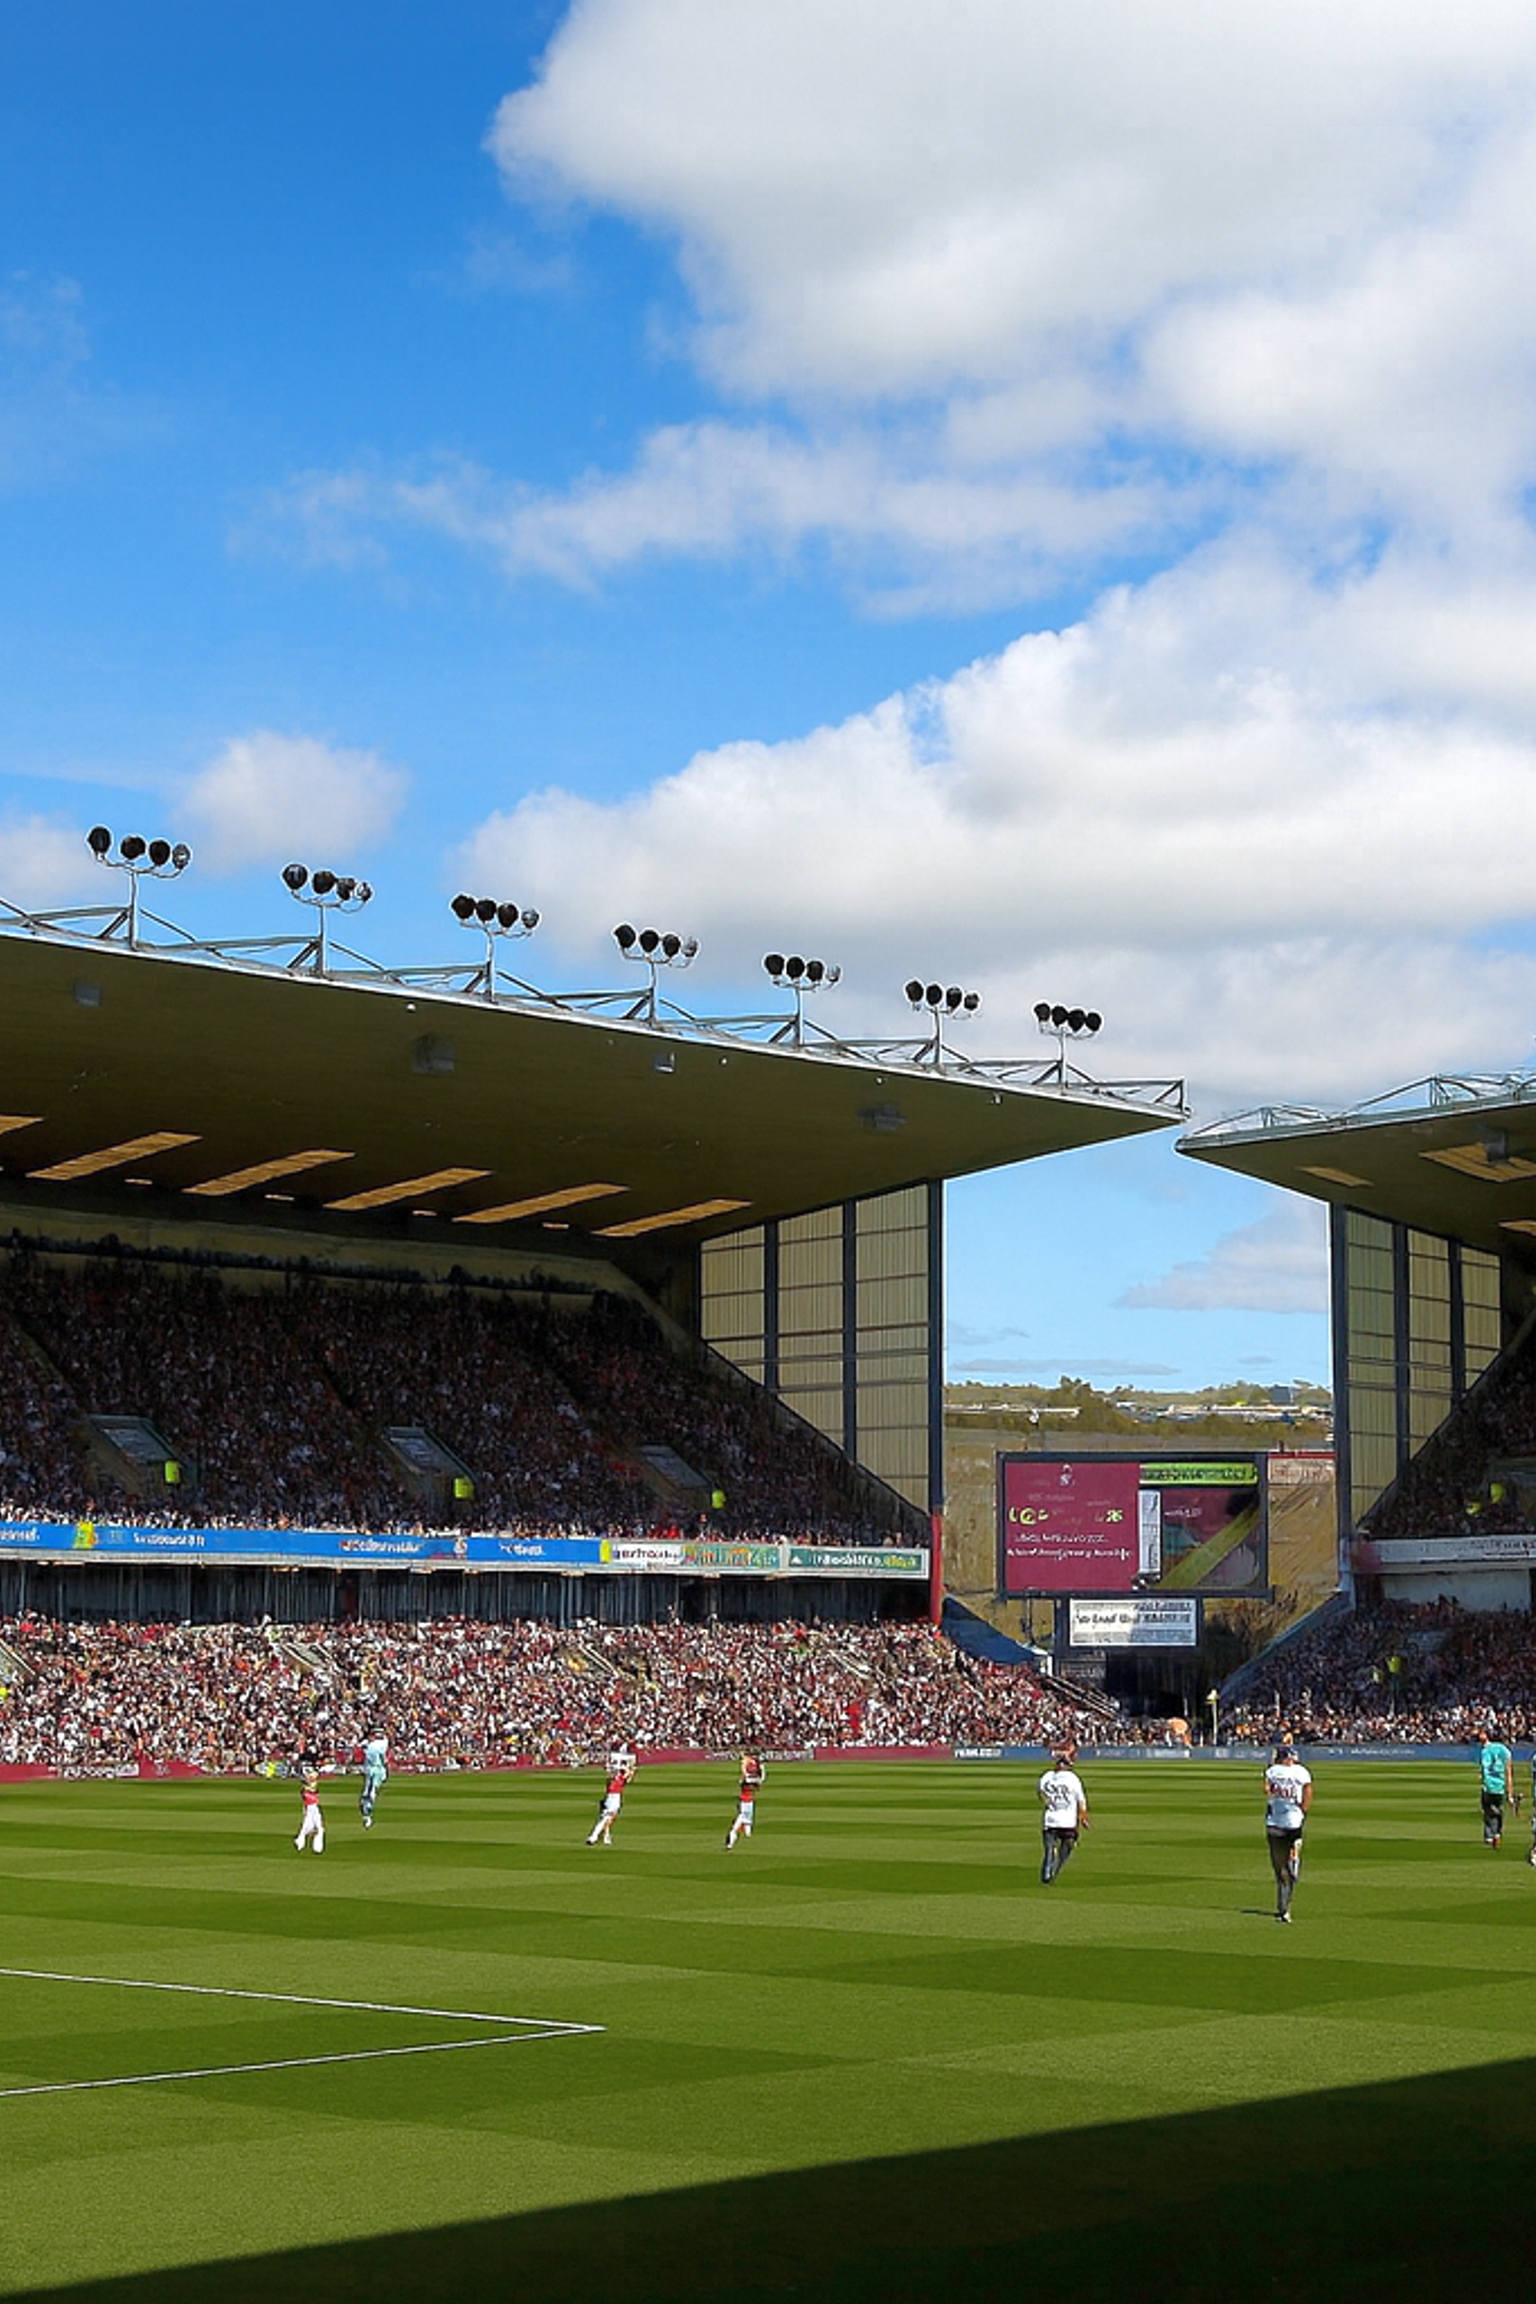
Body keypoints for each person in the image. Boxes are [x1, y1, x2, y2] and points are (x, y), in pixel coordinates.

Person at [1264, 1740, 1311, 1922]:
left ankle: (1283, 1908)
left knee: (1279, 1868)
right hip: (1294, 1821)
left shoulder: (1272, 1772)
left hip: (1274, 1822)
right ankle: (1294, 1856)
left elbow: (1266, 1790)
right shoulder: (1302, 1772)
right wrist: (1302, 1810)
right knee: (1291, 1850)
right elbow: (1308, 1794)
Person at [1038, 1747, 1088, 1884]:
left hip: (1050, 1820)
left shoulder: (1047, 1776)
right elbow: (1081, 1800)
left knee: (1049, 1849)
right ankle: (1055, 1869)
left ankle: (1047, 1872)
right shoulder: (1073, 1779)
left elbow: (1041, 1793)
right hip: (1067, 1822)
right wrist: (1083, 1817)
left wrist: (1048, 1801)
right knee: (1067, 1847)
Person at [1477, 1727, 1518, 1848]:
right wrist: (1510, 1794)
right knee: (1498, 1810)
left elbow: (1483, 1769)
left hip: (1488, 1786)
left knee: (1488, 1811)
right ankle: (1497, 1833)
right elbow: (1508, 1774)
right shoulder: (1506, 1752)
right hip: (1500, 1787)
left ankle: (1489, 1835)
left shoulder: (1485, 1750)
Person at [587, 1749, 635, 1846]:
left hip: (616, 1797)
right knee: (605, 1817)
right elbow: (611, 1771)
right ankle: (594, 1836)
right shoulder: (614, 1775)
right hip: (611, 1796)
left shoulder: (621, 1776)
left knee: (609, 1818)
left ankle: (604, 1836)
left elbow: (628, 1777)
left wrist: (629, 1769)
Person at [725, 1754, 765, 1849]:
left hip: (749, 1802)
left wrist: (760, 1769)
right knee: (742, 1818)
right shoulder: (745, 1782)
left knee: (747, 1819)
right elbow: (748, 1781)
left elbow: (758, 1781)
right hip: (744, 1802)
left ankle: (747, 1835)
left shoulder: (751, 1782)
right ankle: (733, 1834)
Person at [359, 1730, 388, 1830]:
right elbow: (383, 1759)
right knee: (370, 1790)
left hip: (373, 1769)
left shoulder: (372, 1746)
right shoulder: (375, 1746)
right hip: (374, 1769)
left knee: (369, 1790)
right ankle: (368, 1803)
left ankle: (368, 1803)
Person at [294, 1766, 325, 1855]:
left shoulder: (310, 1786)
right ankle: (314, 1847)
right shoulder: (306, 1790)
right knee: (315, 1828)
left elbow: (313, 1780)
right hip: (311, 1808)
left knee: (311, 1828)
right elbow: (310, 1789)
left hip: (312, 1808)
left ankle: (301, 1842)